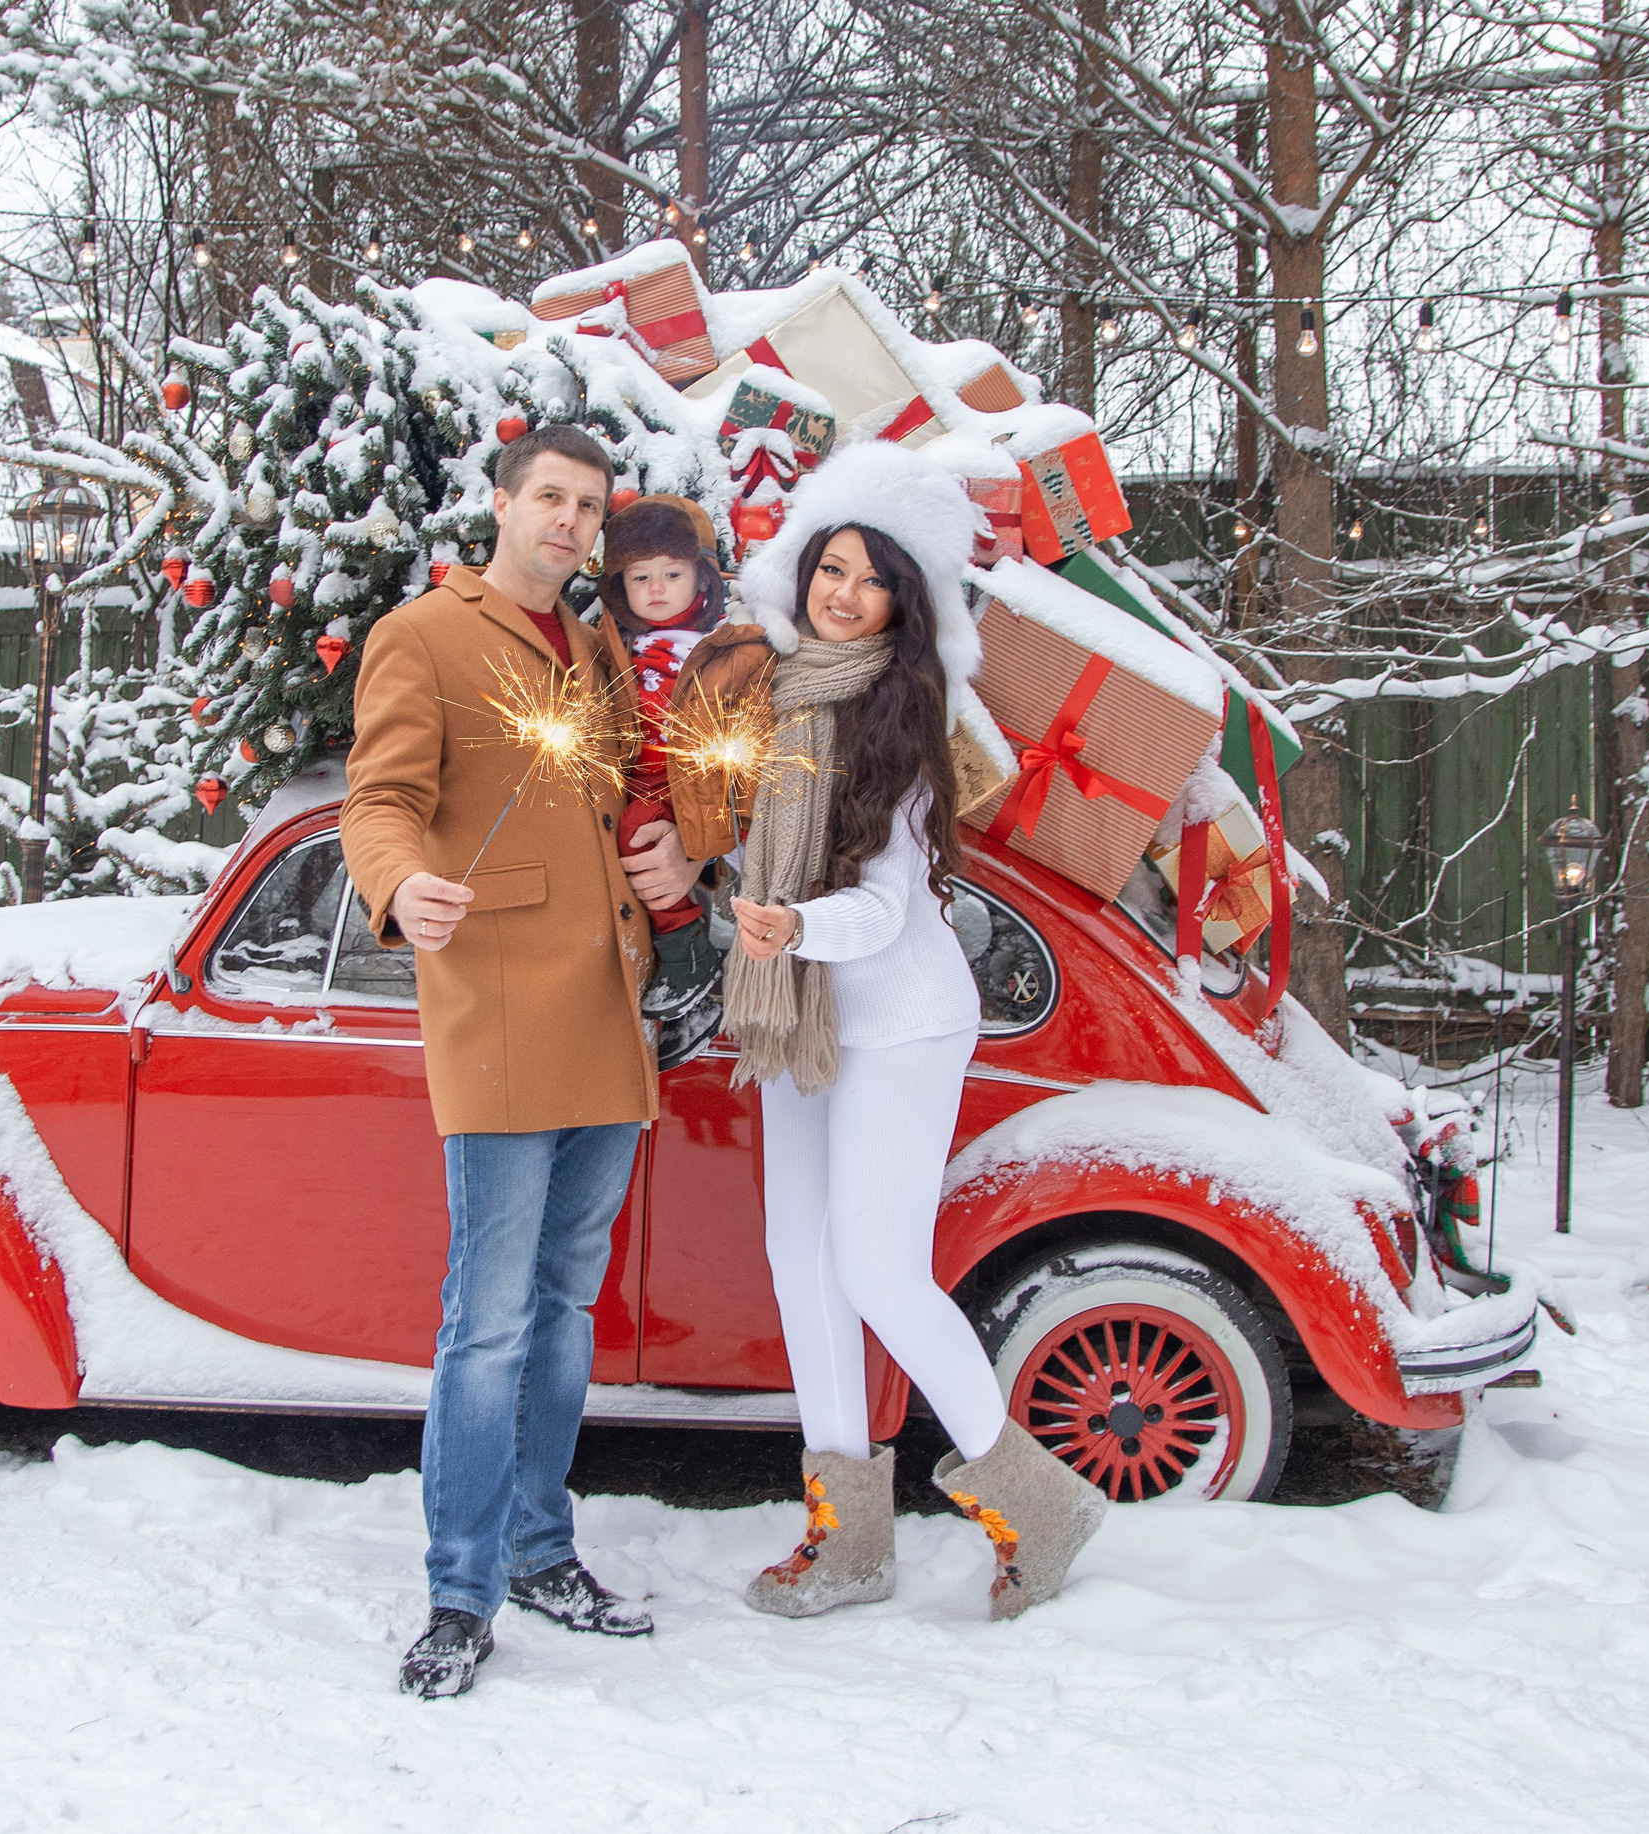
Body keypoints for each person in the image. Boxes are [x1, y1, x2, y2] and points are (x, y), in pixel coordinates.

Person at [339, 423, 708, 1698]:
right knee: (487, 1320)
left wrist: (681, 855)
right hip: (496, 1005)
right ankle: (460, 1590)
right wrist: (401, 884)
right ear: (500, 503)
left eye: (588, 506)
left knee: (563, 1310)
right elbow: (379, 799)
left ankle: (544, 1550)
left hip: (608, 1005)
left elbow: (629, 793)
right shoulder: (424, 635)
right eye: (549, 496)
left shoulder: (599, 645)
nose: (568, 521)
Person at [715, 442, 1108, 1622]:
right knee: (799, 1264)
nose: (843, 593)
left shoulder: (900, 714)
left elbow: (886, 907)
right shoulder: (771, 693)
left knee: (879, 1268)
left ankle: (1040, 1499)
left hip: (894, 1020)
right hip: (796, 1015)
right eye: (829, 568)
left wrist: (795, 923)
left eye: (870, 578)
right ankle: (850, 1539)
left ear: (903, 600)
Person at [593, 495, 732, 1069]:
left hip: (685, 779)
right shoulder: (616, 646)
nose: (655, 589)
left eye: (672, 575)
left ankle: (687, 948)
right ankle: (680, 996)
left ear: (701, 579)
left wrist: (706, 830)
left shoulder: (724, 645)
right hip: (637, 771)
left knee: (639, 837)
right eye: (639, 577)